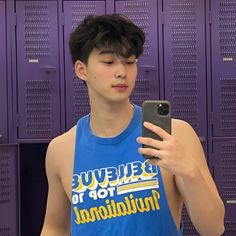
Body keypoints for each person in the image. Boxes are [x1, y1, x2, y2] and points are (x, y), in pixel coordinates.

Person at [40, 14, 225, 236]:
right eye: (109, 62)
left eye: (130, 62)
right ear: (82, 70)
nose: (122, 72)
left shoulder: (174, 135)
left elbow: (214, 228)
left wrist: (190, 172)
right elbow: (55, 227)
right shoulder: (61, 149)